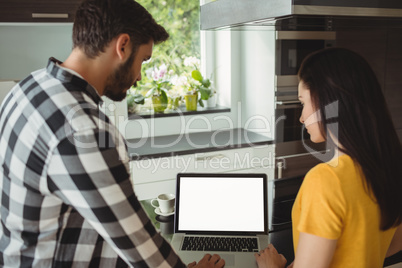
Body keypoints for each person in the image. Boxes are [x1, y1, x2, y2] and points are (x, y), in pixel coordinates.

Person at [0, 0, 225, 267]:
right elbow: (140, 246)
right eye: (143, 60)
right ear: (123, 46)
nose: (140, 76)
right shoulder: (82, 129)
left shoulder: (28, 87)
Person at [255, 48, 402, 268]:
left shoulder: (326, 180)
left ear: (325, 101)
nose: (302, 118)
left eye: (303, 103)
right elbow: (392, 245)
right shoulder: (390, 165)